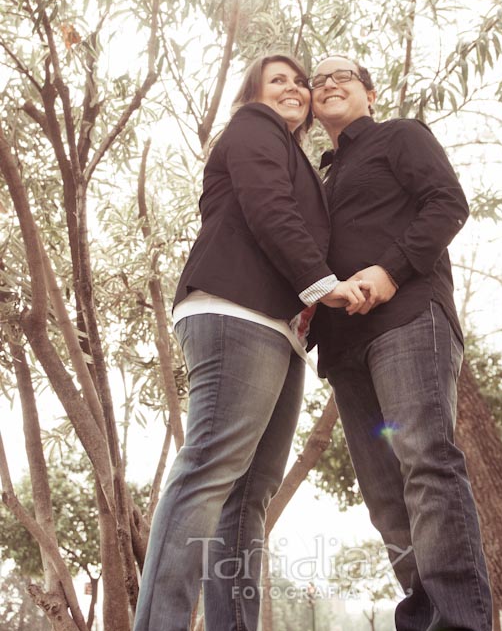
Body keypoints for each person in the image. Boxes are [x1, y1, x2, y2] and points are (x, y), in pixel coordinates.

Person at [133, 54, 367, 631]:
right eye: (277, 80)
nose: (293, 88)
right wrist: (323, 286)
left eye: (298, 81)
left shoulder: (297, 155)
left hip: (279, 328)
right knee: (208, 470)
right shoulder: (253, 127)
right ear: (253, 94)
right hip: (234, 311)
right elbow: (269, 208)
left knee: (249, 495)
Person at [309, 54, 493, 631]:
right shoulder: (318, 178)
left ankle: (461, 623)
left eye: (341, 75)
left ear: (369, 92)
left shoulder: (401, 136)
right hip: (343, 348)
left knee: (426, 465)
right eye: (317, 81)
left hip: (409, 320)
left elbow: (448, 204)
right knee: (386, 496)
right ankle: (422, 620)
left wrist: (389, 270)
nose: (327, 84)